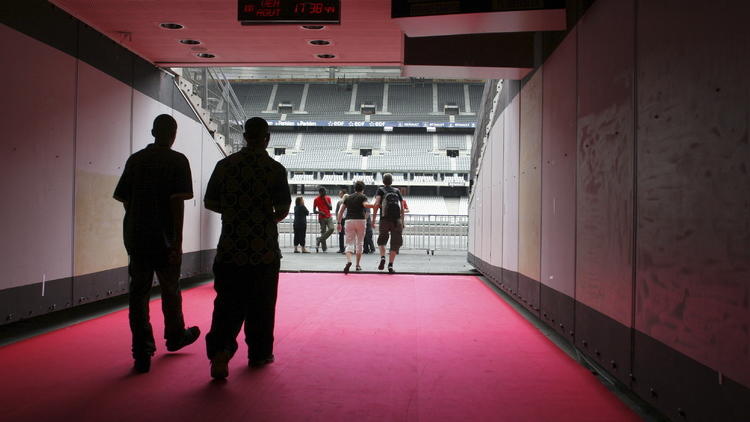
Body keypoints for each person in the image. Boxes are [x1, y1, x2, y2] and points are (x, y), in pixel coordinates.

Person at [203, 117, 291, 380]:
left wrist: (234, 213)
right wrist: (266, 219)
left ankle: (220, 351)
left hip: (230, 248)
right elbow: (283, 208)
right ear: (267, 138)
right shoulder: (274, 169)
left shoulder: (225, 166)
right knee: (262, 306)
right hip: (263, 250)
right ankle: (259, 353)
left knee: (227, 304)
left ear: (244, 136)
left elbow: (210, 202)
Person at [113, 114, 201, 374]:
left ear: (153, 131)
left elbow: (125, 200)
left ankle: (142, 351)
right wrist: (177, 241)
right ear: (173, 134)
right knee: (170, 288)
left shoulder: (136, 160)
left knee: (138, 294)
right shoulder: (177, 160)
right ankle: (174, 336)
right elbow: (177, 203)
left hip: (136, 236)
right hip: (164, 237)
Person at [336, 181, 373, 273]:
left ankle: (349, 261)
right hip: (361, 220)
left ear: (354, 188)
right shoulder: (363, 197)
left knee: (349, 242)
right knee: (360, 243)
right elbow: (365, 205)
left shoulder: (348, 198)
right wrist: (375, 205)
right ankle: (357, 265)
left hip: (349, 221)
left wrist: (339, 223)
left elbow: (341, 211)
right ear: (363, 189)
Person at [372, 173, 405, 274]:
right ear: (392, 181)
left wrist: (373, 219)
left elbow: (377, 204)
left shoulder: (380, 190)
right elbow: (402, 207)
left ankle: (383, 257)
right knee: (395, 243)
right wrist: (402, 221)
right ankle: (390, 265)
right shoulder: (397, 191)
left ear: (383, 181)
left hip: (384, 219)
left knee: (381, 241)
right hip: (397, 220)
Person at [312, 187, 334, 252]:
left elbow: (330, 208)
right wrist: (320, 212)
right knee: (323, 232)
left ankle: (319, 239)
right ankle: (324, 248)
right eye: (324, 192)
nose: (325, 193)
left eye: (325, 192)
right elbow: (314, 211)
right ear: (320, 192)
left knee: (332, 228)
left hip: (329, 216)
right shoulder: (316, 199)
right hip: (321, 218)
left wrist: (326, 201)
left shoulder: (328, 198)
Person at [336, 189, 348, 253]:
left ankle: (343, 248)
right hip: (344, 219)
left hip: (344, 219)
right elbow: (337, 211)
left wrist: (338, 220)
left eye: (340, 193)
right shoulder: (339, 202)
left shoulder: (340, 202)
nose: (339, 194)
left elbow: (337, 211)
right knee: (342, 234)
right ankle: (343, 248)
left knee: (342, 234)